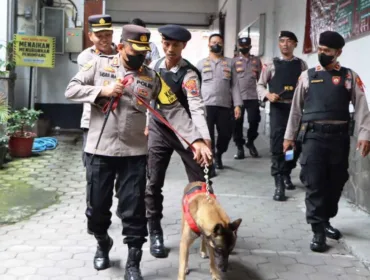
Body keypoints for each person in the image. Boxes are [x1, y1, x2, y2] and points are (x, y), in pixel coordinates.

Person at [65, 24, 212, 280]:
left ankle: (134, 262)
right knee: (97, 211)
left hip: (134, 154)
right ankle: (103, 243)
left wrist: (196, 139)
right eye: (136, 51)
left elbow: (174, 109)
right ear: (121, 47)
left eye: (145, 51)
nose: (141, 57)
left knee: (134, 211)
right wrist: (102, 90)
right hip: (100, 151)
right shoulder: (100, 65)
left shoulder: (152, 77)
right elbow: (71, 90)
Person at [283, 31, 370, 253]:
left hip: (339, 137)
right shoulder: (307, 76)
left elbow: (361, 108)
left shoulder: (349, 77)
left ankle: (325, 219)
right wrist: (289, 137)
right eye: (320, 50)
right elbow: (296, 110)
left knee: (336, 181)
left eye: (327, 51)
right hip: (313, 136)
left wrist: (364, 135)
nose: (322, 54)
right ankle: (317, 231)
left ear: (338, 52)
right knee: (314, 182)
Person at [144, 24, 211, 259]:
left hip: (186, 133)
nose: (170, 49)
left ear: (184, 46)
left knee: (201, 184)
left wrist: (203, 140)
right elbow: (148, 99)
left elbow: (196, 107)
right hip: (159, 130)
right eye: (166, 43)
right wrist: (146, 123)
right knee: (153, 183)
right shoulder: (154, 67)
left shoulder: (189, 74)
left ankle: (206, 230)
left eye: (175, 45)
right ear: (161, 42)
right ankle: (155, 231)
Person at [257, 31, 307, 201]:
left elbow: (307, 86)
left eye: (289, 41)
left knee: (294, 146)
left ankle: (287, 170)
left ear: (295, 44)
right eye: (282, 41)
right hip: (279, 110)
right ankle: (279, 182)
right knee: (278, 146)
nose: (285, 44)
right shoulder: (271, 64)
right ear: (279, 44)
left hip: (297, 111)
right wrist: (267, 95)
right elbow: (260, 85)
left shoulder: (301, 65)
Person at [197, 33, 242, 169]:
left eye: (219, 42)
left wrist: (238, 105)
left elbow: (234, 85)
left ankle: (219, 153)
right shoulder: (200, 64)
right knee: (208, 136)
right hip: (206, 105)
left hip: (224, 105)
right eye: (214, 42)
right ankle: (210, 163)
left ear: (223, 45)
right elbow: (196, 86)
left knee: (225, 134)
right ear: (209, 44)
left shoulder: (230, 63)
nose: (216, 44)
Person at [78, 14, 118, 165]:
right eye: (99, 35)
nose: (104, 39)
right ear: (90, 36)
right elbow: (88, 87)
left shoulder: (121, 54)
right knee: (93, 165)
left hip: (119, 120)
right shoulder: (86, 58)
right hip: (93, 119)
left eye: (107, 34)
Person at [232, 37, 263, 159]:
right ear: (239, 47)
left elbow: (261, 79)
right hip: (237, 97)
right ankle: (239, 147)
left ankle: (250, 142)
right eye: (242, 46)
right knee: (237, 123)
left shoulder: (256, 61)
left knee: (254, 120)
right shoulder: (233, 61)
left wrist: (262, 96)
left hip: (253, 96)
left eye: (246, 46)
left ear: (250, 46)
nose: (244, 48)